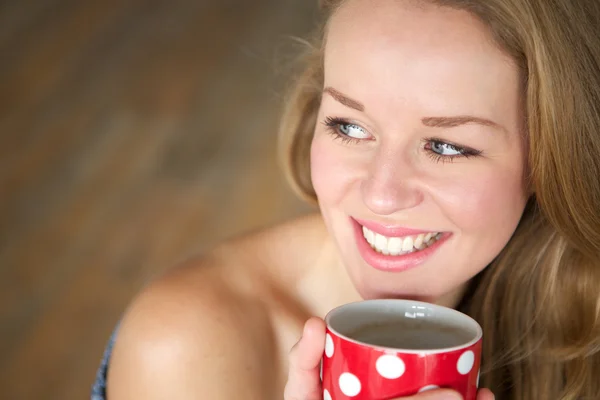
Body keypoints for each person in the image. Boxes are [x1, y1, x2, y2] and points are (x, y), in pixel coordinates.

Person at [95, 0, 600, 399]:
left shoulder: (585, 313)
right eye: (350, 126)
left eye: (447, 147)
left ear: (549, 156)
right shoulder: (188, 345)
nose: (381, 195)